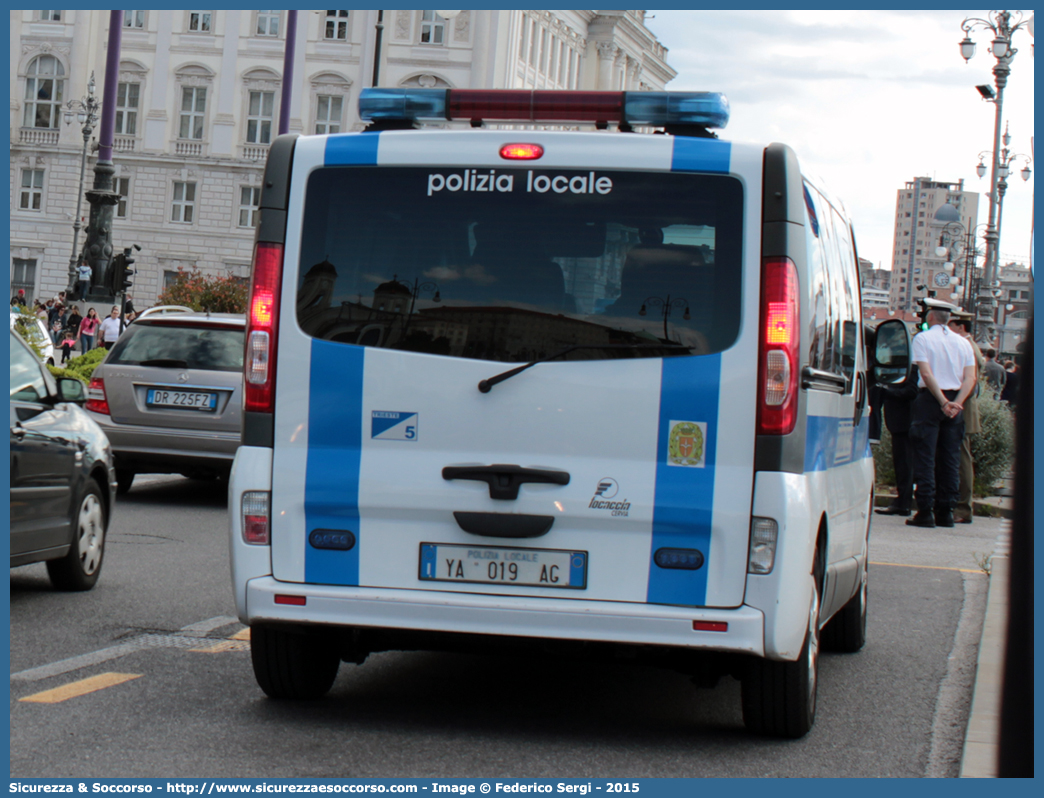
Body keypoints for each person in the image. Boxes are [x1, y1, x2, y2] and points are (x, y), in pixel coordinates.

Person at [906, 306, 976, 528]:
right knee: (950, 458)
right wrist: (957, 403)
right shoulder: (963, 342)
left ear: (931, 317)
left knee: (925, 456)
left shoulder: (922, 339)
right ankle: (946, 511)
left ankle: (925, 511)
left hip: (930, 399)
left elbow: (925, 373)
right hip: (956, 400)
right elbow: (970, 378)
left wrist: (942, 401)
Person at [942, 312, 984, 524]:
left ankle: (963, 508)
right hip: (963, 407)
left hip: (963, 408)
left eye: (951, 325)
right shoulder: (969, 345)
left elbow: (971, 381)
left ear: (960, 327)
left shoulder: (969, 347)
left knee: (962, 459)